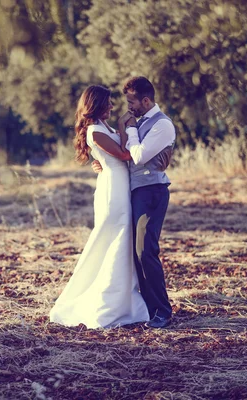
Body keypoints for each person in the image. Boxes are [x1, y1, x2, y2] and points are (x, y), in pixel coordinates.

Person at [49, 85, 149, 329]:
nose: (113, 107)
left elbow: (112, 155)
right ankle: (106, 303)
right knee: (112, 237)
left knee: (122, 240)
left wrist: (103, 157)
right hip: (112, 190)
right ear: (97, 104)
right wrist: (126, 128)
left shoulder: (104, 127)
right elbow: (125, 155)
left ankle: (125, 300)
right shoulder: (94, 131)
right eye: (109, 103)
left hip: (119, 184)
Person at [92, 76, 175, 329]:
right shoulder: (140, 122)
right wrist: (104, 164)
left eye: (132, 102)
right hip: (136, 191)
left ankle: (163, 311)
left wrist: (128, 129)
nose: (128, 106)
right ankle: (148, 308)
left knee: (145, 251)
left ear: (146, 100)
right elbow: (124, 155)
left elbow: (137, 156)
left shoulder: (163, 125)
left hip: (152, 191)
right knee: (136, 252)